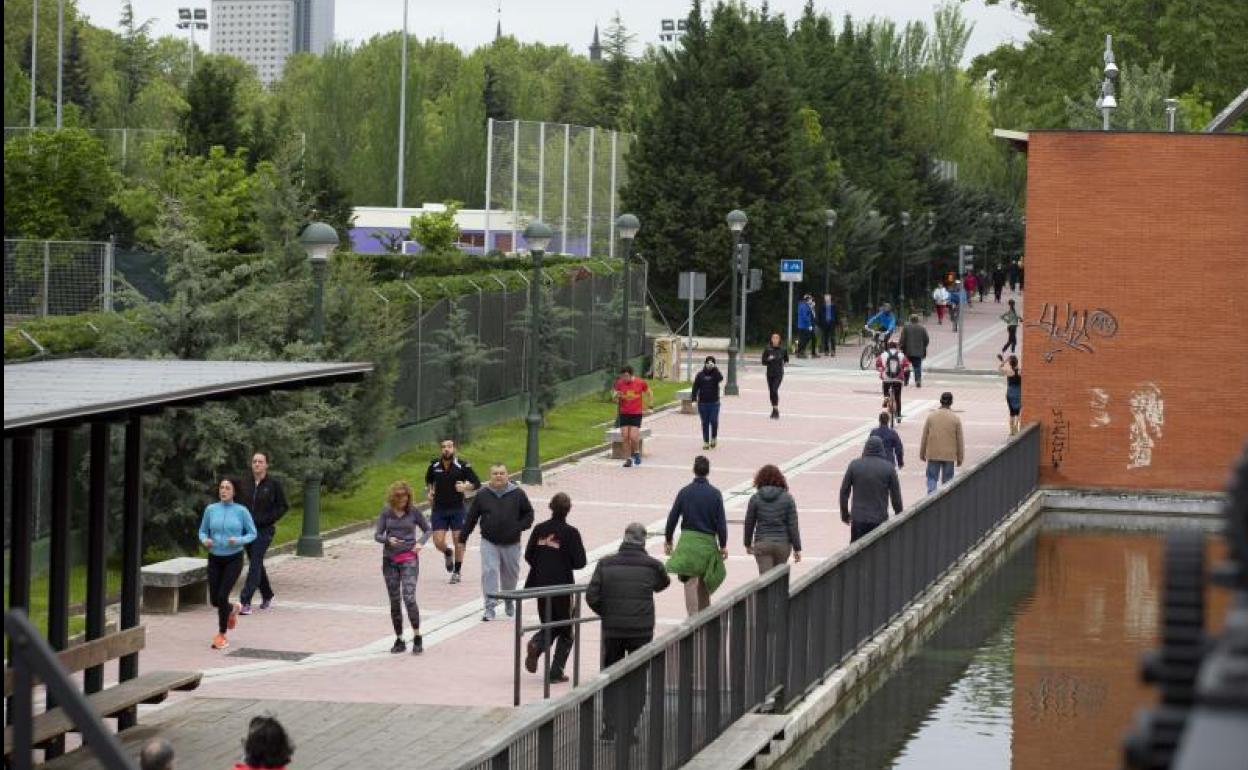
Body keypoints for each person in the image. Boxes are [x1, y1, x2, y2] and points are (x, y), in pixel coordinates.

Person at [586, 522, 670, 743]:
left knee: (611, 675)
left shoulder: (605, 563)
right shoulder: (652, 565)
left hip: (613, 630)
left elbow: (591, 596)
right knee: (637, 679)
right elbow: (663, 584)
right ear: (643, 541)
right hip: (641, 631)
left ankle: (610, 727)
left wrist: (607, 613)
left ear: (624, 538)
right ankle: (630, 728)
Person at [523, 493, 587, 684]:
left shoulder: (539, 528)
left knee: (549, 622)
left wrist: (543, 566)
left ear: (550, 507)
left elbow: (529, 554)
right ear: (569, 509)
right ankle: (555, 670)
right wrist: (562, 563)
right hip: (562, 585)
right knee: (566, 628)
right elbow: (580, 561)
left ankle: (537, 644)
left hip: (540, 584)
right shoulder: (571, 533)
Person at [460, 463, 535, 621]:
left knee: (510, 576)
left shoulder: (517, 493)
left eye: (501, 473)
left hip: (511, 542)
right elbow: (472, 517)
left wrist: (519, 527)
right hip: (489, 542)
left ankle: (508, 600)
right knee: (490, 572)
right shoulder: (482, 494)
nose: (498, 476)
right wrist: (463, 537)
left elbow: (529, 514)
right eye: (495, 473)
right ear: (490, 476)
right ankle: (490, 607)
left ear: (507, 475)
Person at [664, 455, 728, 616]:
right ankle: (705, 617)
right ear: (708, 471)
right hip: (707, 543)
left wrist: (668, 539)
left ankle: (692, 618)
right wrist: (723, 545)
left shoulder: (684, 492)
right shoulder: (715, 494)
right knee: (705, 581)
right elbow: (721, 523)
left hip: (688, 542)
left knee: (690, 582)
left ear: (694, 470)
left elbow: (672, 518)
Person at [374, 480, 431, 655]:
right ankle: (399, 639)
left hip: (409, 558)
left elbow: (428, 529)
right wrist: (387, 540)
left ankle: (417, 636)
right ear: (393, 498)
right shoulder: (386, 512)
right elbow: (377, 535)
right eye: (399, 500)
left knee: (409, 597)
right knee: (395, 600)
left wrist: (420, 543)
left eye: (405, 499)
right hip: (390, 560)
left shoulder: (413, 511)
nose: (402, 503)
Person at [199, 479, 257, 650]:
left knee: (222, 596)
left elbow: (252, 533)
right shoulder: (211, 510)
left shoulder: (241, 511)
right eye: (221, 488)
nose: (223, 491)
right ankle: (232, 609)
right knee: (215, 600)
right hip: (214, 558)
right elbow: (202, 531)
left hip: (233, 559)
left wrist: (238, 540)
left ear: (234, 492)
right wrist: (205, 540)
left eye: (227, 488)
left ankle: (222, 635)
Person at [425, 438, 481, 584]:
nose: (446, 449)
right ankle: (447, 552)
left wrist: (465, 487)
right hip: (439, 509)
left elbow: (477, 483)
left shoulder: (462, 466)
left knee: (459, 540)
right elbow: (429, 480)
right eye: (443, 447)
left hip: (457, 509)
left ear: (454, 448)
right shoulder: (434, 465)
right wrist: (429, 492)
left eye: (449, 446)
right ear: (440, 449)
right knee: (438, 542)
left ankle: (457, 571)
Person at [238, 452, 288, 615]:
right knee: (256, 562)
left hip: (264, 530)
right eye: (254, 461)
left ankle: (245, 602)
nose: (257, 464)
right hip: (247, 531)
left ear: (266, 465)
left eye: (260, 461)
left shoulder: (273, 484)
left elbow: (283, 506)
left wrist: (268, 519)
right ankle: (267, 595)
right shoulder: (245, 483)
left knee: (255, 563)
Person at [839, 436, 903, 542]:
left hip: (859, 518)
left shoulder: (854, 465)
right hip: (879, 518)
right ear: (881, 449)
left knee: (857, 549)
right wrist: (899, 514)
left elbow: (844, 492)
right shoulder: (888, 468)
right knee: (879, 549)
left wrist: (845, 515)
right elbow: (896, 496)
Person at [743, 464, 802, 574]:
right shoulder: (788, 498)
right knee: (779, 578)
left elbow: (749, 523)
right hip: (783, 544)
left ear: (759, 480)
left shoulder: (755, 498)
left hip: (762, 543)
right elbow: (793, 525)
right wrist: (797, 548)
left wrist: (747, 543)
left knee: (766, 579)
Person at [920, 391, 965, 493]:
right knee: (947, 481)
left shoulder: (931, 417)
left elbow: (924, 436)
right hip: (949, 455)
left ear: (940, 401)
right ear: (951, 402)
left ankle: (931, 497)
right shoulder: (955, 419)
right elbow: (959, 440)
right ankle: (946, 500)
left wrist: (922, 453)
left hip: (933, 453)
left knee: (932, 478)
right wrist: (960, 457)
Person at [612, 366, 653, 468]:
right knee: (625, 436)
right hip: (624, 413)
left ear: (631, 375)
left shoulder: (640, 382)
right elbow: (614, 398)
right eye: (622, 376)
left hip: (636, 413)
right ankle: (628, 459)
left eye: (626, 376)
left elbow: (649, 392)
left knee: (633, 437)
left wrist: (650, 406)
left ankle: (636, 452)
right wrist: (616, 396)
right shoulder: (619, 383)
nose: (624, 378)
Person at [691, 355, 724, 450]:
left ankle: (713, 438)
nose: (709, 365)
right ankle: (706, 441)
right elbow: (695, 388)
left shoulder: (715, 374)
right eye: (708, 363)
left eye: (712, 363)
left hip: (714, 403)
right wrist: (694, 400)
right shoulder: (700, 375)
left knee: (713, 421)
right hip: (703, 403)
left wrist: (715, 369)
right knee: (705, 422)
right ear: (705, 364)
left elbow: (720, 378)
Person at [876, 340, 911, 423]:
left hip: (886, 378)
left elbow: (878, 365)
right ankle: (898, 415)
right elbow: (907, 366)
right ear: (897, 346)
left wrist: (881, 370)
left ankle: (886, 397)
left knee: (885, 387)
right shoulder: (901, 355)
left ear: (888, 346)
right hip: (898, 379)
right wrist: (904, 372)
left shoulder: (883, 354)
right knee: (898, 397)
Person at [761, 332, 789, 420]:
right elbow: (763, 362)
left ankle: (775, 409)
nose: (775, 340)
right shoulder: (767, 349)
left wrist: (784, 363)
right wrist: (768, 359)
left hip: (779, 373)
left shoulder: (783, 349)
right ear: (771, 339)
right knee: (771, 392)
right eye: (774, 338)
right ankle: (774, 409)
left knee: (774, 389)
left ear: (779, 340)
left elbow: (786, 359)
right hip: (770, 373)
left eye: (777, 338)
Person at [899, 313, 929, 388]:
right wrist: (923, 347)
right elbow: (926, 339)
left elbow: (902, 339)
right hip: (918, 352)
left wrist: (901, 346)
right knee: (917, 367)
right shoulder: (922, 328)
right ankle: (918, 380)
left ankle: (906, 381)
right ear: (917, 320)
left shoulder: (906, 328)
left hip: (907, 351)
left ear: (910, 319)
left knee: (906, 366)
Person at [998, 354, 1023, 435]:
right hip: (1018, 393)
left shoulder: (1009, 372)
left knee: (1011, 413)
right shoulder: (1020, 371)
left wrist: (1004, 361)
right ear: (1017, 362)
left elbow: (999, 369)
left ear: (1010, 363)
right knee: (1018, 412)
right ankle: (1016, 427)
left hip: (1010, 393)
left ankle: (1011, 431)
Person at [796, 293, 816, 358]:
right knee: (804, 339)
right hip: (804, 326)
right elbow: (805, 316)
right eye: (810, 299)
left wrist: (811, 306)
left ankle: (800, 352)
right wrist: (809, 325)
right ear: (807, 299)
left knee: (803, 339)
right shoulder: (804, 306)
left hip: (802, 325)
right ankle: (800, 352)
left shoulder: (802, 305)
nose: (811, 300)